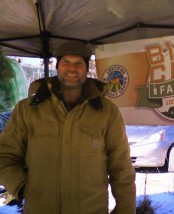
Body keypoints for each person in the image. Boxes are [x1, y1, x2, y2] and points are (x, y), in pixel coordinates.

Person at [0, 41, 136, 214]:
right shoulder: (27, 110)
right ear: (57, 67)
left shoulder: (107, 112)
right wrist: (23, 187)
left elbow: (121, 168)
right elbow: (4, 155)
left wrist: (126, 209)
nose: (72, 68)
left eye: (78, 63)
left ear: (87, 69)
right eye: (66, 62)